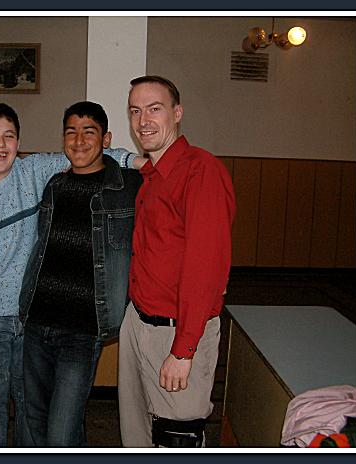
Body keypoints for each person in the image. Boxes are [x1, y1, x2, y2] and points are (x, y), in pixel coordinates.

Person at [0, 103, 141, 447]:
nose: (0, 145)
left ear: (19, 144)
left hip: (31, 317)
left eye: (9, 136)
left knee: (37, 418)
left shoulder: (32, 171)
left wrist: (139, 161)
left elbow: (87, 152)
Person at [118, 75, 236, 447]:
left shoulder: (201, 171)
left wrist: (183, 350)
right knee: (136, 436)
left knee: (177, 436)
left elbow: (206, 270)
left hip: (176, 330)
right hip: (138, 321)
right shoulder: (152, 175)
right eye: (135, 111)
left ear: (178, 113)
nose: (143, 121)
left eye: (155, 109)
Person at [18, 101, 142, 446]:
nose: (79, 140)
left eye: (89, 131)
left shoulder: (128, 187)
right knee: (35, 423)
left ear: (106, 139)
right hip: (37, 320)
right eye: (71, 132)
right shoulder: (54, 185)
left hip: (82, 329)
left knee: (61, 434)